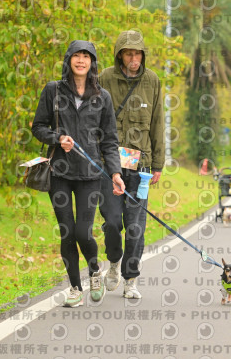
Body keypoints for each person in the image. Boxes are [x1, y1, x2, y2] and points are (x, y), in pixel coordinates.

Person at [32, 40, 125, 307]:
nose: (81, 60)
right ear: (69, 60)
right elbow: (38, 127)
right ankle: (75, 288)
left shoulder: (102, 97)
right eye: (76, 55)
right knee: (67, 232)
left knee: (83, 232)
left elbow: (110, 140)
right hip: (59, 173)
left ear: (92, 62)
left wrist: (115, 173)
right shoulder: (53, 90)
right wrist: (57, 138)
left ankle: (94, 270)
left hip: (90, 173)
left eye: (86, 56)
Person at [98, 30, 164, 299]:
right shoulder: (104, 78)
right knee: (113, 221)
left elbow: (157, 122)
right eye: (128, 53)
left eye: (137, 53)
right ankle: (114, 261)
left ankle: (131, 279)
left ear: (143, 55)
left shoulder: (152, 81)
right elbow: (93, 117)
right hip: (109, 164)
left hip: (141, 166)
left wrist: (158, 163)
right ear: (119, 55)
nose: (133, 58)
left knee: (136, 226)